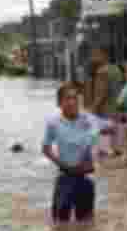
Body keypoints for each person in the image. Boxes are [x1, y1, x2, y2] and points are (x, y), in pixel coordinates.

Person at [42, 82, 98, 223]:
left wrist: (88, 161)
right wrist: (64, 165)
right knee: (60, 225)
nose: (72, 102)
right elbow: (46, 149)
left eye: (75, 98)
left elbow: (97, 142)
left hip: (85, 179)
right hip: (64, 179)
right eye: (68, 98)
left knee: (86, 226)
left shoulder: (88, 120)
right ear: (59, 103)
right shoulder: (53, 123)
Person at [88, 46, 126, 158]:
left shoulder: (101, 71)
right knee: (117, 149)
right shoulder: (117, 70)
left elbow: (101, 93)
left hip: (105, 112)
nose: (93, 58)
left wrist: (93, 109)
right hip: (117, 111)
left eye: (96, 55)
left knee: (104, 151)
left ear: (105, 55)